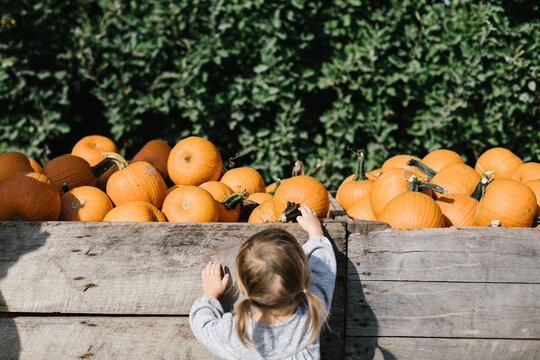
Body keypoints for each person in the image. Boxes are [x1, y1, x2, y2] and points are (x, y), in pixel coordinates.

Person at [189, 204, 337, 359]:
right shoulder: (312, 312)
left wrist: (210, 294)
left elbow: (203, 326)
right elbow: (323, 270)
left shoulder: (238, 334)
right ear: (306, 280)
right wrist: (315, 232)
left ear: (243, 287)